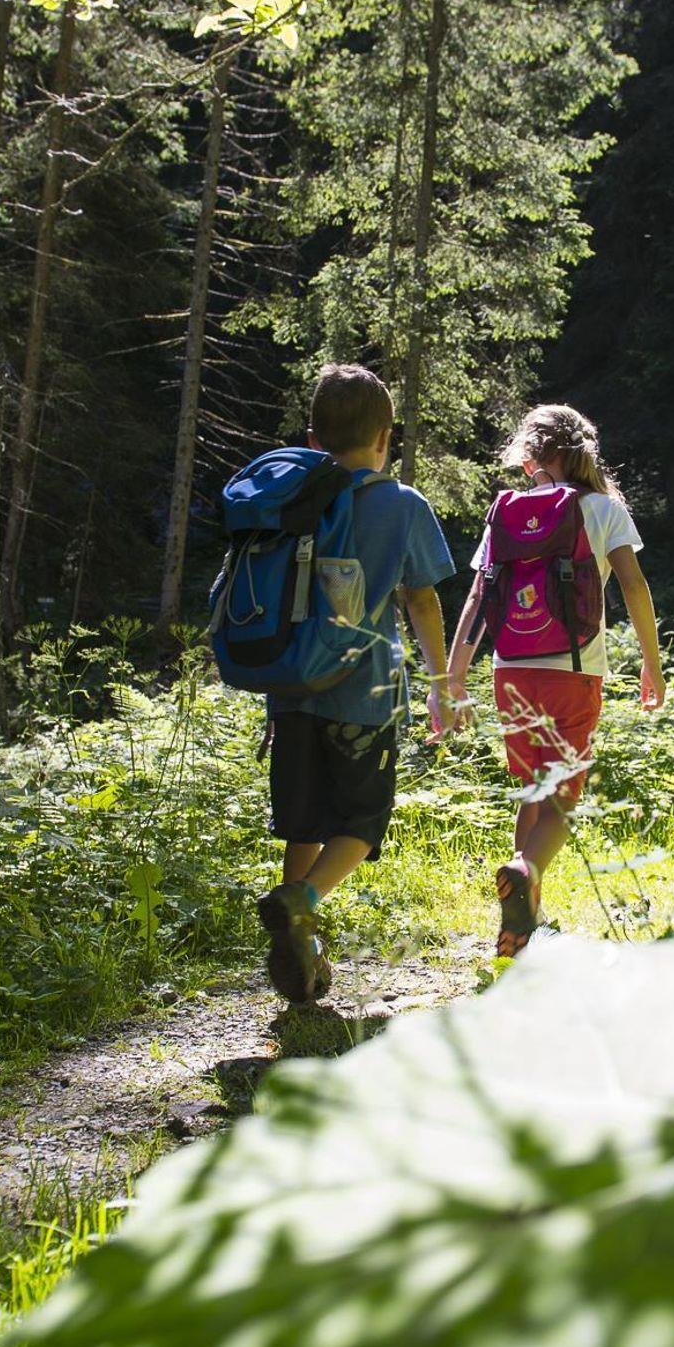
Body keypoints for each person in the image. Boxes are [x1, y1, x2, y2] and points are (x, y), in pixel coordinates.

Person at [256, 364, 462, 1002]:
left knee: (305, 823)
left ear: (314, 439)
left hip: (291, 691)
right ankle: (300, 901)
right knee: (363, 822)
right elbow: (421, 598)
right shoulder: (402, 505)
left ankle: (302, 950)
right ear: (384, 438)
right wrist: (441, 682)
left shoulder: (291, 499)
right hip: (364, 695)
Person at [447, 404, 664, 958]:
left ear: (529, 460)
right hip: (573, 671)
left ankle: (526, 922)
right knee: (562, 800)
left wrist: (454, 676)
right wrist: (651, 661)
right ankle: (525, 871)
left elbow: (478, 597)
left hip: (510, 670)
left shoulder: (506, 514)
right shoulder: (604, 509)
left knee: (532, 789)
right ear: (584, 454)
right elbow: (633, 587)